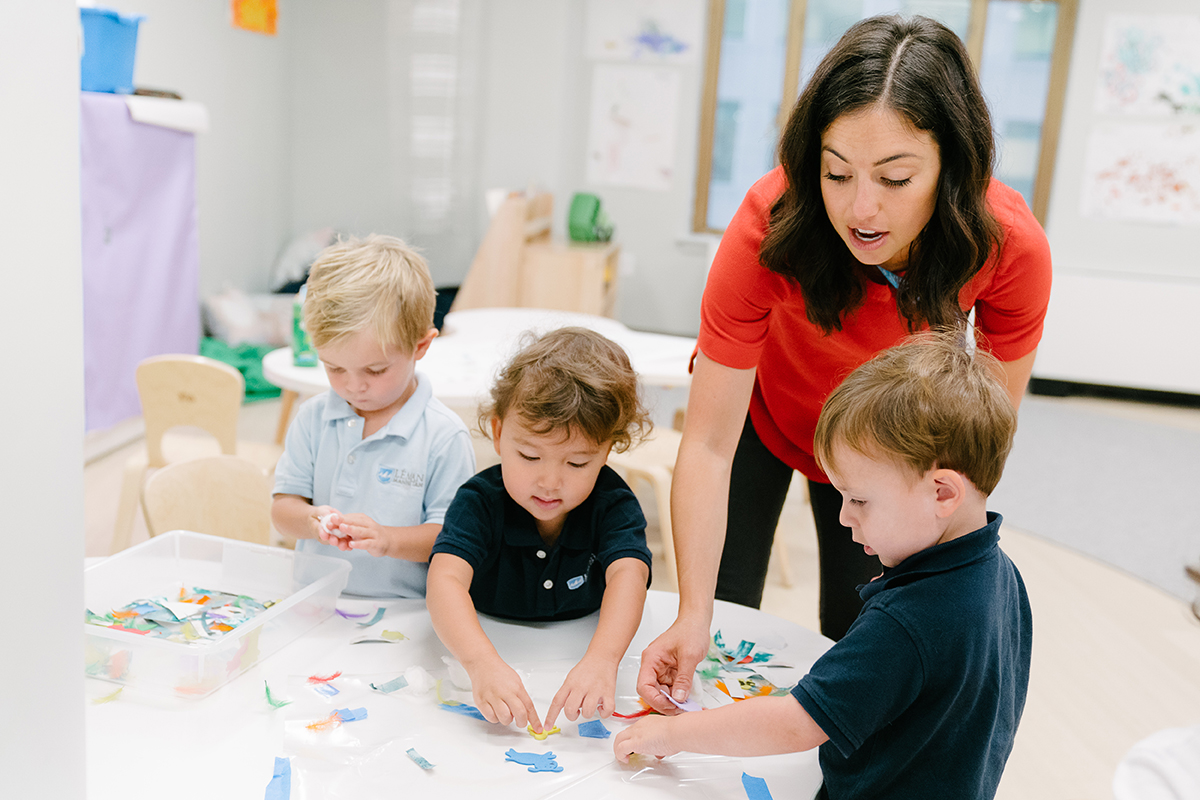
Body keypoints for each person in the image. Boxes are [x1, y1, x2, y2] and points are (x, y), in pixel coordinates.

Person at [638, 13, 1052, 712]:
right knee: (722, 617)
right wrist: (691, 613)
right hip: (763, 424)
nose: (861, 207)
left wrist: (943, 595)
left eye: (895, 177)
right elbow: (707, 444)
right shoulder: (771, 221)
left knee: (861, 638)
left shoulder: (1010, 247)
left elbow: (980, 449)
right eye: (837, 172)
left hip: (891, 447)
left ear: (953, 163)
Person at [616, 331, 1032, 800]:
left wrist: (669, 736)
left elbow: (795, 726)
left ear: (942, 493)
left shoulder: (907, 621)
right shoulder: (1002, 575)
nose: (843, 517)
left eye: (859, 499)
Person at [427, 327, 653, 734]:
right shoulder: (479, 501)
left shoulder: (614, 502)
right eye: (529, 456)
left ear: (607, 450)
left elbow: (629, 574)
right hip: (486, 652)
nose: (550, 481)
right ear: (498, 433)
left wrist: (603, 658)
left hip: (581, 654)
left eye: (578, 463)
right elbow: (444, 579)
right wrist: (480, 663)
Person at [271, 234, 475, 597]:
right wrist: (310, 521)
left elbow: (452, 540)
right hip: (316, 601)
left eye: (375, 370)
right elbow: (283, 510)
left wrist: (388, 540)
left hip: (404, 613)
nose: (353, 386)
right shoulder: (312, 418)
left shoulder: (444, 437)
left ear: (421, 346)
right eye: (334, 368)